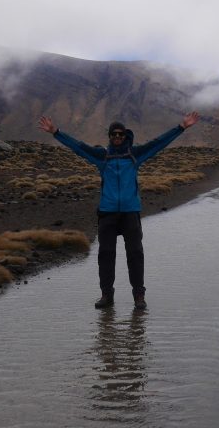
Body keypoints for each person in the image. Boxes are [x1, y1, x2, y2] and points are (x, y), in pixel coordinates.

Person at [37, 112, 201, 310]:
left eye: (120, 134)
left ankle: (139, 296)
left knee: (135, 254)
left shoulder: (134, 154)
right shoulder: (102, 156)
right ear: (109, 136)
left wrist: (181, 127)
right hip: (107, 212)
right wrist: (56, 132)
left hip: (130, 212)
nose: (117, 137)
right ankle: (107, 295)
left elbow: (158, 143)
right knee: (106, 254)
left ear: (125, 136)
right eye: (113, 134)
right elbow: (78, 147)